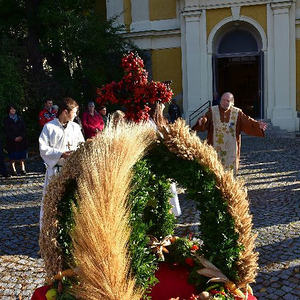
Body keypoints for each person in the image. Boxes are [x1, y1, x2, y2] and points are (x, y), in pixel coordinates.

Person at [192, 92, 267, 173]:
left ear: (232, 102)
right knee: (214, 169)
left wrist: (257, 125)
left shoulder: (237, 113)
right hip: (215, 147)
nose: (224, 102)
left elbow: (247, 121)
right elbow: (205, 120)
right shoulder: (212, 111)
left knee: (230, 172)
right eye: (223, 100)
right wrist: (202, 121)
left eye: (227, 101)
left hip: (231, 149)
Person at [39, 97, 85, 228]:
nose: (76, 114)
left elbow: (81, 145)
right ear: (65, 112)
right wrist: (60, 154)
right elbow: (43, 149)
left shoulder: (75, 127)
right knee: (53, 203)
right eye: (74, 112)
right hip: (55, 171)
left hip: (72, 172)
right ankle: (50, 230)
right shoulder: (49, 127)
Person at [3, 105, 28, 175]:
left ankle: (23, 168)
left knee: (22, 155)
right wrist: (14, 138)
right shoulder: (6, 119)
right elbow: (6, 131)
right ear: (9, 110)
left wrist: (21, 136)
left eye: (14, 109)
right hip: (11, 141)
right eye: (11, 109)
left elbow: (24, 129)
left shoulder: (20, 118)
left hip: (21, 140)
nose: (13, 110)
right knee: (12, 156)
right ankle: (13, 169)